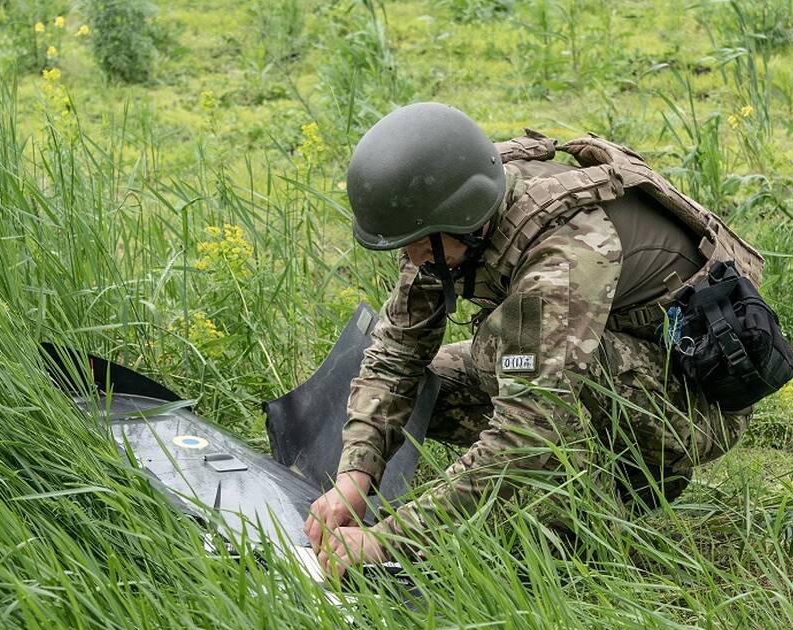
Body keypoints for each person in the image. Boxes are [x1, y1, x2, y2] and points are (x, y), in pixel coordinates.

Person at [303, 102, 763, 577]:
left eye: (419, 244)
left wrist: (390, 539)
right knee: (435, 381)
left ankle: (608, 500)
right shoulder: (445, 227)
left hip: (690, 408)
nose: (412, 258)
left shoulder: (564, 256)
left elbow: (526, 431)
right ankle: (564, 478)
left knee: (503, 351)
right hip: (595, 356)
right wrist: (354, 476)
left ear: (464, 218)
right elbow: (396, 354)